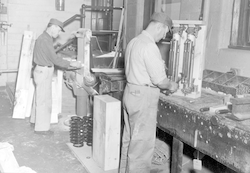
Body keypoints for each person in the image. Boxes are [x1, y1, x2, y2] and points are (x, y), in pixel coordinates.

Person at [119, 12, 179, 173]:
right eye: (165, 33)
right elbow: (160, 81)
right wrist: (172, 85)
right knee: (142, 147)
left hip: (130, 92)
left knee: (129, 141)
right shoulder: (149, 45)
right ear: (160, 27)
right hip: (143, 98)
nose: (163, 37)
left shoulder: (134, 41)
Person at [30, 18, 82, 135]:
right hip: (44, 71)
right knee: (44, 101)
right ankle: (42, 129)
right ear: (52, 27)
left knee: (38, 98)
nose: (58, 34)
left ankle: (35, 121)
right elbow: (54, 59)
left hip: (40, 70)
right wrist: (70, 64)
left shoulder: (44, 38)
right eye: (58, 31)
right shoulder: (45, 40)